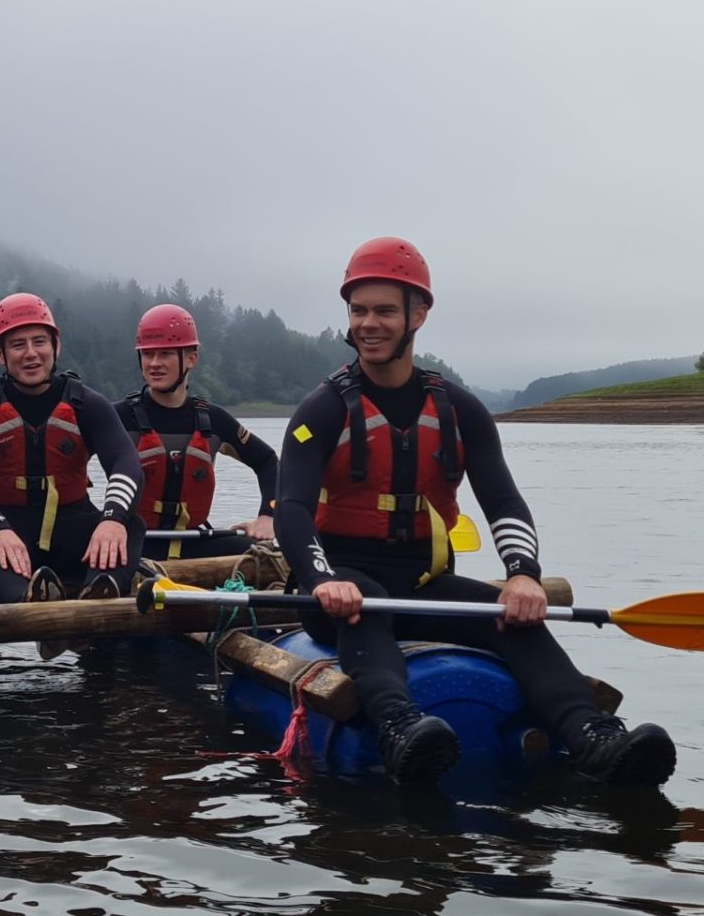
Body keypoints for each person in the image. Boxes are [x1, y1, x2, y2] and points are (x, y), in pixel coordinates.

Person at [273, 237, 676, 786]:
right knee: (364, 610)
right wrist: (322, 579)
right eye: (359, 310)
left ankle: (594, 737)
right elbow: (291, 508)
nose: (369, 323)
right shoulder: (321, 409)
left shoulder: (459, 410)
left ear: (420, 314)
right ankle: (398, 726)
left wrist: (523, 577)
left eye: (385, 310)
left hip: (422, 581)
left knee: (512, 618)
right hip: (338, 588)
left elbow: (504, 501)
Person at [0, 293, 146, 620]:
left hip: (74, 531)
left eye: (40, 341)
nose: (31, 353)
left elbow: (126, 463)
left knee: (131, 525)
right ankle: (29, 603)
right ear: (0, 354)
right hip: (10, 535)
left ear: (56, 347)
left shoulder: (89, 405)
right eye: (18, 345)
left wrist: (112, 518)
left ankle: (99, 594)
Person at [114, 303, 280, 558]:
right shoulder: (116, 417)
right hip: (134, 544)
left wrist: (268, 515)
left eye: (165, 354)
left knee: (263, 556)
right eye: (147, 354)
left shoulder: (215, 420)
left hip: (195, 542)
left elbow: (268, 462)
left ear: (191, 358)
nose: (154, 363)